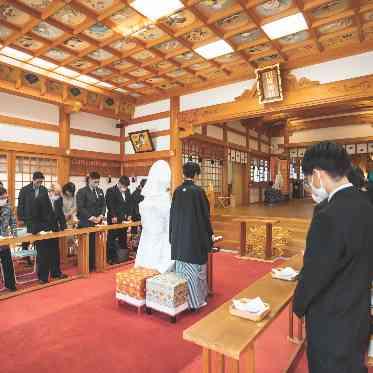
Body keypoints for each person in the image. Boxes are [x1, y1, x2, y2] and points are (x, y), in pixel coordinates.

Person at [293, 141, 373, 373]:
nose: (310, 185)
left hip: (331, 321)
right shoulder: (367, 204)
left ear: (318, 175)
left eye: (309, 179)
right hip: (358, 313)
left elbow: (316, 274)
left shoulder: (327, 215)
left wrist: (299, 305)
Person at [170, 162, 214, 310]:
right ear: (195, 175)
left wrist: (172, 237)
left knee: (181, 272)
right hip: (193, 240)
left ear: (184, 174)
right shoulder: (198, 192)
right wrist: (209, 237)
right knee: (196, 272)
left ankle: (182, 301)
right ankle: (196, 302)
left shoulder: (177, 191)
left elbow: (172, 216)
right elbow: (204, 217)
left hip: (179, 239)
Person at [135, 161, 174, 273]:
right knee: (158, 263)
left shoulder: (147, 199)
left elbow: (144, 221)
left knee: (145, 259)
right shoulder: (164, 199)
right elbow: (168, 222)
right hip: (161, 236)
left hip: (147, 235)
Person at [31, 183, 67, 284]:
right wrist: (38, 230)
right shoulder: (39, 199)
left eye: (59, 194)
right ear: (50, 192)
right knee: (43, 255)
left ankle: (56, 273)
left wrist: (64, 228)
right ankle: (43, 277)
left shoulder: (58, 199)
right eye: (56, 194)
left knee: (55, 253)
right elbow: (35, 217)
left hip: (54, 230)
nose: (58, 196)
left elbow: (60, 214)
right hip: (41, 231)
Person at [76, 172, 106, 271]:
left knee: (96, 244)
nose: (97, 184)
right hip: (86, 222)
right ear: (89, 180)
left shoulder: (100, 190)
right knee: (87, 246)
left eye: (98, 182)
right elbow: (80, 207)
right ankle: (86, 266)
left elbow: (103, 205)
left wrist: (101, 215)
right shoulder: (81, 191)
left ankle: (94, 264)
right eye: (95, 182)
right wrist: (91, 217)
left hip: (98, 221)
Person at [17, 172, 47, 263]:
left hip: (40, 218)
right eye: (38, 182)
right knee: (26, 239)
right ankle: (26, 258)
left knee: (39, 238)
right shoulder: (24, 190)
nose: (39, 184)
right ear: (33, 179)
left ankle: (39, 256)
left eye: (41, 182)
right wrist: (21, 218)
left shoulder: (43, 189)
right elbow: (20, 205)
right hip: (28, 218)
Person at [105, 176, 132, 264]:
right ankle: (111, 258)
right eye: (123, 186)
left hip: (123, 219)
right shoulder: (111, 190)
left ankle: (122, 257)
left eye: (126, 187)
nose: (125, 189)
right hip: (114, 219)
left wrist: (129, 215)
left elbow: (129, 204)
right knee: (112, 238)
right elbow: (110, 205)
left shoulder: (128, 191)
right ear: (119, 183)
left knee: (123, 237)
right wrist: (113, 216)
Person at [0, 187, 16, 291]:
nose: (4, 200)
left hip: (5, 240)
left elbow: (13, 222)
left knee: (8, 264)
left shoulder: (8, 208)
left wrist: (14, 234)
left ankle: (11, 285)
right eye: (1, 198)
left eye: (5, 198)